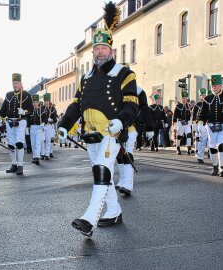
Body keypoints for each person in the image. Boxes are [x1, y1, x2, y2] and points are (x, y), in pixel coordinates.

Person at [57, 1, 138, 237]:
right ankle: (113, 211)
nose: (100, 51)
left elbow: (132, 104)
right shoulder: (87, 77)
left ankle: (89, 219)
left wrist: (121, 121)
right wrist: (65, 125)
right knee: (100, 172)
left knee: (102, 170)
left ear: (112, 50)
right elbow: (76, 104)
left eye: (104, 48)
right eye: (96, 48)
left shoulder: (124, 73)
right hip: (90, 133)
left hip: (112, 131)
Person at [198, 75, 223, 176]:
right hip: (211, 126)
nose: (213, 87)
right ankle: (215, 166)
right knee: (212, 146)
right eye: (212, 85)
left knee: (222, 145)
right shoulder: (207, 98)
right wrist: (201, 123)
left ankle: (221, 167)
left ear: (220, 85)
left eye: (215, 85)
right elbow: (203, 112)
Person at [0, 73, 33, 175]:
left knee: (19, 143)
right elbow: (3, 110)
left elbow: (31, 110)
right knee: (10, 144)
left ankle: (20, 166)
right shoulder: (8, 95)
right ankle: (13, 164)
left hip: (21, 122)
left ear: (21, 83)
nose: (15, 85)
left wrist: (24, 112)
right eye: (13, 83)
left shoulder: (26, 95)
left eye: (17, 83)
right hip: (10, 122)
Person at [28, 95, 45, 165]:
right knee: (33, 143)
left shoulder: (41, 110)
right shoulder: (30, 111)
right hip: (32, 127)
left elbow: (45, 119)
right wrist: (27, 127)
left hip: (39, 128)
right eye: (34, 102)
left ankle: (37, 157)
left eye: (36, 102)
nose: (35, 104)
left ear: (38, 103)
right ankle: (34, 156)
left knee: (38, 143)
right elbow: (28, 120)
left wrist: (43, 123)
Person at [193, 88, 209, 163]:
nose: (203, 96)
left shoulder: (209, 103)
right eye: (202, 95)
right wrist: (194, 123)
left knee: (211, 140)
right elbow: (194, 115)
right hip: (201, 123)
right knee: (202, 140)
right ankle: (200, 157)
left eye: (204, 95)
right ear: (200, 96)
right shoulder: (197, 105)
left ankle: (210, 153)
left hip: (209, 123)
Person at [42, 94, 58, 159]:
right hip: (42, 126)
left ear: (49, 101)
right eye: (45, 101)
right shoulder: (42, 108)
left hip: (49, 126)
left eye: (47, 101)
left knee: (49, 140)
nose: (46, 102)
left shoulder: (53, 108)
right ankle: (42, 153)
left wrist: (51, 120)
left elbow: (55, 120)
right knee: (42, 140)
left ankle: (47, 154)